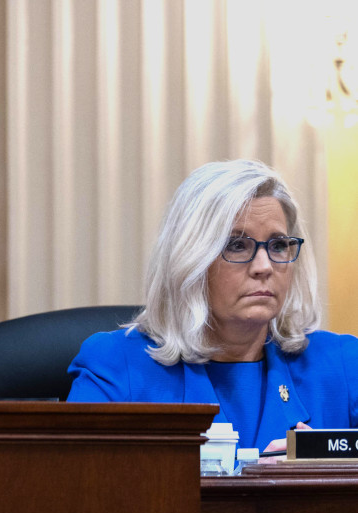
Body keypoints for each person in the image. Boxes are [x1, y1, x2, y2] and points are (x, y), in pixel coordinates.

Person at [67, 159, 358, 452]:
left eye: (278, 245)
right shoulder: (117, 366)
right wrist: (252, 472)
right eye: (236, 245)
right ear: (189, 257)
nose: (264, 266)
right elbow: (78, 477)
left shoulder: (343, 365)